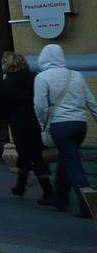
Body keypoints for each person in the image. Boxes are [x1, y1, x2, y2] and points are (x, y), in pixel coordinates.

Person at [34, 43, 97, 218]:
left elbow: (40, 106)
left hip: (60, 126)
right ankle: (59, 198)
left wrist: (43, 124)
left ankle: (88, 206)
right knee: (66, 158)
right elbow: (91, 102)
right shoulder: (75, 75)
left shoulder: (42, 77)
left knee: (73, 165)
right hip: (80, 126)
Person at [0, 51, 51, 200]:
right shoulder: (35, 78)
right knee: (26, 155)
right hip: (37, 123)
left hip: (20, 126)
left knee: (34, 156)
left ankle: (49, 192)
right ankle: (20, 186)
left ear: (7, 65)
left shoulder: (8, 84)